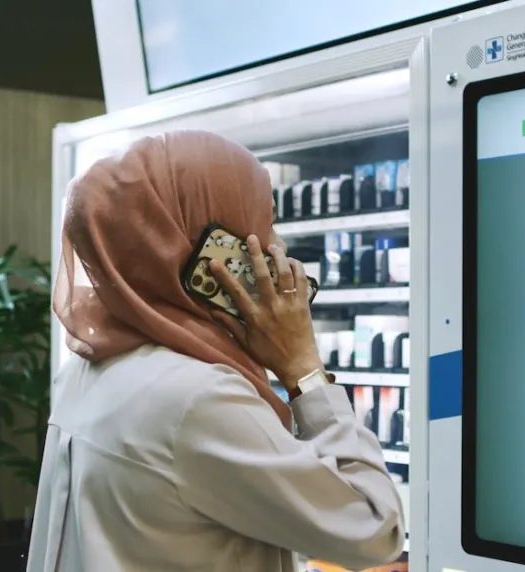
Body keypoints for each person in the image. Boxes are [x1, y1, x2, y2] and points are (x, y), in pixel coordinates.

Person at [26, 130, 405, 572]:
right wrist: (304, 367)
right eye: (264, 222)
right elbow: (375, 530)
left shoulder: (89, 367)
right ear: (210, 252)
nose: (277, 245)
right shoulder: (198, 398)